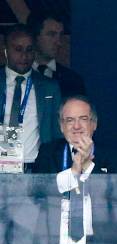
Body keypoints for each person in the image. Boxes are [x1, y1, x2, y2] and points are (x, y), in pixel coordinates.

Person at [1, 24, 62, 172]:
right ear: (6, 51)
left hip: (35, 167)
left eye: (29, 49)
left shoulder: (49, 87)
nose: (24, 56)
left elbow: (57, 131)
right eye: (18, 49)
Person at [27, 11, 87, 97]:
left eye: (60, 35)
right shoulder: (14, 75)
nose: (58, 42)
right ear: (34, 36)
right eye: (51, 35)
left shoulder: (72, 81)